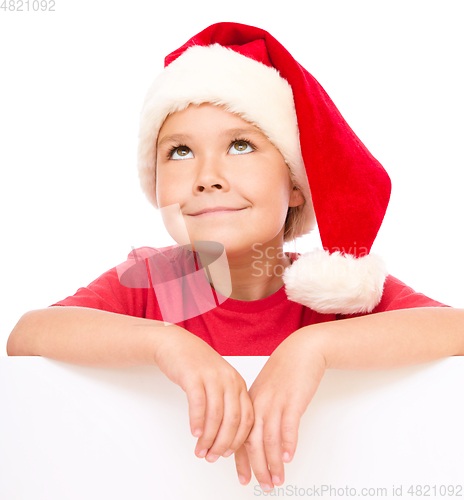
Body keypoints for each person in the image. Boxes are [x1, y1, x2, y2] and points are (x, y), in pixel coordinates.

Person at [7, 22, 464, 494]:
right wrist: (167, 344)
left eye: (240, 145)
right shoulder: (165, 281)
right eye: (180, 151)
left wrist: (313, 349)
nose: (207, 176)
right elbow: (29, 335)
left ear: (293, 184)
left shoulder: (331, 290)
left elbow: (457, 330)